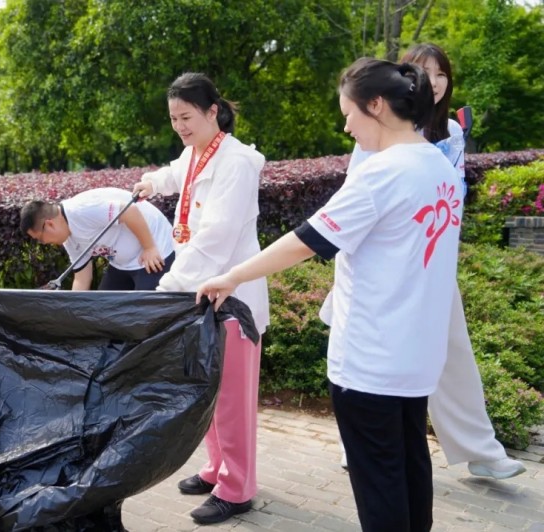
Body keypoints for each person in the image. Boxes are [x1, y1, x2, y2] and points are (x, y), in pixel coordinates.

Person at [198, 58, 463, 531]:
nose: (346, 127)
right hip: (418, 356)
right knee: (410, 465)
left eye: (348, 113)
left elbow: (307, 240)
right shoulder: (437, 165)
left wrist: (232, 276)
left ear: (375, 105)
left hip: (371, 359)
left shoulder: (383, 173)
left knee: (380, 483)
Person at [338, 43, 525, 480]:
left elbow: (451, 199)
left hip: (431, 266)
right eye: (423, 71)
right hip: (384, 269)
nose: (434, 81)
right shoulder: (377, 127)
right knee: (368, 357)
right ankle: (359, 445)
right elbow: (351, 206)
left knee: (453, 354)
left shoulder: (451, 133)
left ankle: (481, 450)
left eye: (441, 73)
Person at [132, 72, 269, 525]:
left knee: (232, 400)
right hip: (201, 294)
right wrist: (152, 182)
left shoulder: (237, 162)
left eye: (186, 117)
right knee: (208, 390)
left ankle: (237, 487)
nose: (179, 126)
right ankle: (217, 468)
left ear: (213, 112)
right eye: (173, 118)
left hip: (232, 298)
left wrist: (168, 289)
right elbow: (177, 174)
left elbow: (215, 240)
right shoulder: (197, 152)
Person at [21, 187, 175, 290]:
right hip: (121, 264)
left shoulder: (81, 210)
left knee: (145, 312)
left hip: (155, 250)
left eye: (40, 239)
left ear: (49, 224)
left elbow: (129, 211)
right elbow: (82, 276)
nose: (44, 243)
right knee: (104, 308)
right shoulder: (67, 237)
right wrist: (72, 310)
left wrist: (149, 247)